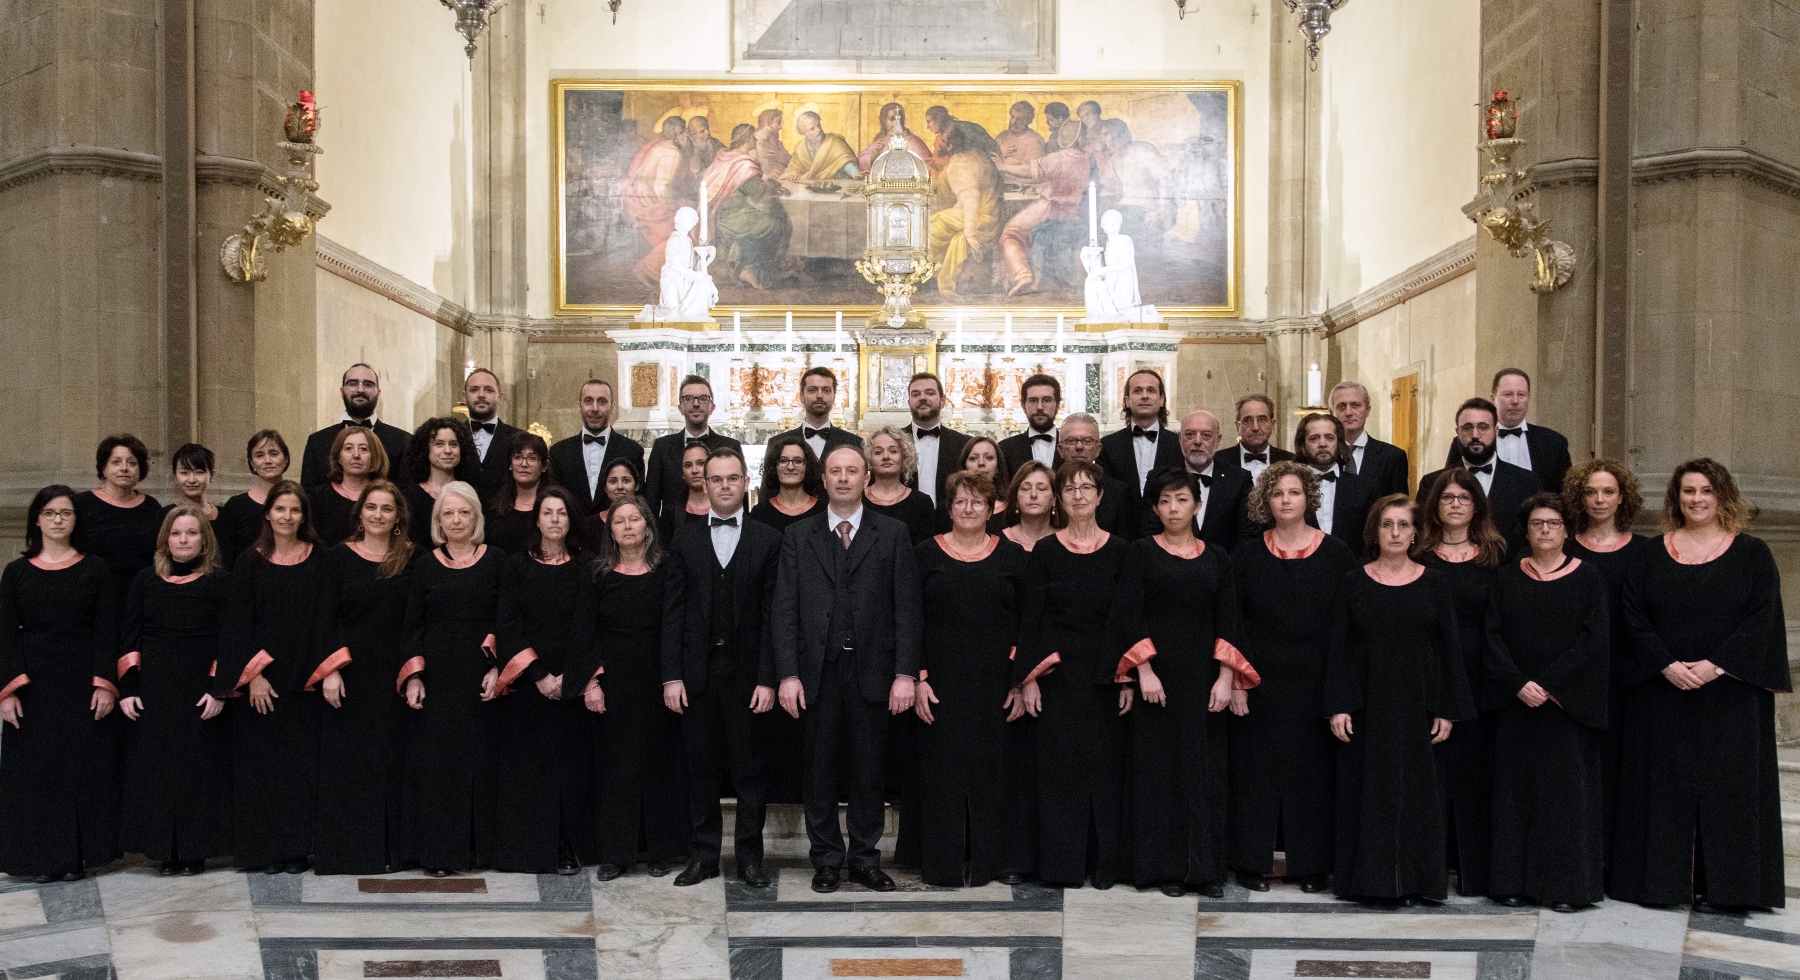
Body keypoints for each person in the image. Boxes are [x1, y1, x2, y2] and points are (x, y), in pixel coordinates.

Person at [1614, 459, 1790, 914]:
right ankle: (1663, 886)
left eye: (1706, 491)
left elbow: (1761, 618)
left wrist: (1715, 666)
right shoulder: (1651, 554)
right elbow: (1633, 615)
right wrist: (1666, 664)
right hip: (1663, 691)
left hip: (1729, 695)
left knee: (1729, 791)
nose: (1696, 499)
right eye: (1688, 491)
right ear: (1676, 498)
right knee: (1665, 786)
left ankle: (1731, 890)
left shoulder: (1752, 554)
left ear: (1722, 496)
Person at [772, 445, 922, 894]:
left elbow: (908, 610)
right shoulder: (799, 536)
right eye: (834, 471)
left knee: (868, 770)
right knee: (818, 771)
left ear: (866, 476)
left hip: (873, 672)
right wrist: (788, 673)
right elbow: (784, 609)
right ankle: (825, 860)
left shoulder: (893, 533)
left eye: (851, 471)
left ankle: (864, 858)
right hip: (816, 673)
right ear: (823, 478)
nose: (842, 478)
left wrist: (905, 674)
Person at [1106, 468, 1252, 897]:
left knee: (1204, 773)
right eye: (1166, 501)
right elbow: (1129, 614)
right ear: (1155, 507)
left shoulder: (1218, 557)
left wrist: (1226, 679)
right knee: (1159, 775)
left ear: (1197, 505)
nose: (1173, 508)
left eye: (1182, 500)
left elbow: (1229, 619)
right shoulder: (1141, 553)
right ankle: (1163, 869)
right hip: (1159, 682)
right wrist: (1144, 671)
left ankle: (1204, 870)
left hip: (1205, 682)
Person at [1324, 496, 1475, 905]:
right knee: (1366, 794)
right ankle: (1369, 883)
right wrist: (1338, 704)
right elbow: (1338, 648)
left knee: (1417, 796)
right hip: (1365, 708)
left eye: (1403, 525)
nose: (1394, 533)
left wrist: (1448, 707)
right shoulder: (1353, 582)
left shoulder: (1435, 583)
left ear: (1415, 533)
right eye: (1387, 525)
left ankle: (1417, 882)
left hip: (1418, 708)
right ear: (1374, 532)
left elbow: (1449, 651)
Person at [1227, 462, 1358, 893]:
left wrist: (1339, 691)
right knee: (1255, 775)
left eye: (1294, 493)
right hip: (1258, 682)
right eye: (1278, 494)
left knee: (1312, 775)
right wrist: (1238, 680)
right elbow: (1233, 621)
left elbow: (1346, 628)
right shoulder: (1245, 554)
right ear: (1265, 501)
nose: (1286, 500)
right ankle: (1252, 862)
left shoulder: (1337, 554)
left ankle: (1311, 865)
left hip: (1315, 682)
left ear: (1309, 499)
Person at [662, 448, 782, 888]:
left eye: (733, 478)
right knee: (700, 767)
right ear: (704, 485)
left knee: (750, 771)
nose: (725, 486)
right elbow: (672, 614)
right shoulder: (684, 540)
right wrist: (671, 675)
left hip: (749, 677)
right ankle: (703, 855)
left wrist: (769, 677)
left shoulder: (769, 539)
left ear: (745, 481)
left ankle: (750, 857)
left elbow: (775, 617)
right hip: (697, 676)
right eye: (716, 479)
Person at [1484, 492, 1610, 912]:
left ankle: (1566, 888)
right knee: (1513, 794)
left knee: (1564, 798)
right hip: (1516, 702)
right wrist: (1519, 683)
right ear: (1526, 529)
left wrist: (1549, 684)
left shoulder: (1587, 577)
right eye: (1537, 523)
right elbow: (1493, 637)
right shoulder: (1507, 577)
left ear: (1567, 530)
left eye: (1552, 524)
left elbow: (1594, 641)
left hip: (1564, 706)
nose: (1544, 531)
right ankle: (1511, 882)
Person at [913, 471, 1039, 887]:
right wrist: (918, 678)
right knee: (942, 774)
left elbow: (1028, 625)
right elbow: (908, 620)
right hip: (939, 685)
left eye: (978, 502)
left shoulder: (1013, 558)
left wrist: (1022, 681)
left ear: (993, 509)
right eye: (961, 502)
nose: (969, 509)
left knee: (994, 774)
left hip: (996, 686)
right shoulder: (924, 555)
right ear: (948, 507)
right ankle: (942, 866)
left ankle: (991, 863)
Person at [1015, 461, 1131, 888]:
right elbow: (1034, 617)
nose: (1079, 495)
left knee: (1105, 770)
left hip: (1105, 675)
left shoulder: (1121, 550)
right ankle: (1061, 865)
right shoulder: (1045, 551)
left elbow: (1125, 618)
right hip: (1056, 676)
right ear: (1058, 499)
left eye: (1087, 487)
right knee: (1059, 771)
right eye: (1069, 489)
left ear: (1101, 496)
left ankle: (1103, 864)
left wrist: (1126, 677)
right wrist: (1028, 677)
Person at [0, 486, 122, 882]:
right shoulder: (16, 572)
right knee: (36, 772)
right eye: (50, 513)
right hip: (32, 686)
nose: (57, 520)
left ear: (75, 520)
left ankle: (77, 858)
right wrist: (7, 691)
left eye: (66, 513)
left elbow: (108, 630)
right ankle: (37, 859)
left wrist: (105, 684)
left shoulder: (95, 569)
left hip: (81, 682)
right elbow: (4, 634)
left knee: (79, 770)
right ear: (37, 519)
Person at [117, 505, 232, 876]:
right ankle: (164, 851)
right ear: (166, 539)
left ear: (205, 540)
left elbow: (230, 640)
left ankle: (195, 851)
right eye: (177, 533)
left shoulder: (219, 582)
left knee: (198, 770)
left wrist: (219, 690)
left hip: (201, 690)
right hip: (154, 690)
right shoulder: (145, 581)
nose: (184, 540)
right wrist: (128, 688)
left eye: (192, 533)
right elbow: (130, 636)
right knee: (159, 770)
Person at [577, 495, 686, 880]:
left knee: (660, 766)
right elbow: (585, 633)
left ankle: (661, 850)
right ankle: (616, 854)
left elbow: (676, 626)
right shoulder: (597, 575)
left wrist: (674, 678)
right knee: (616, 769)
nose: (626, 526)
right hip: (614, 685)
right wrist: (591, 682)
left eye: (634, 519)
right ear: (610, 530)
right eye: (619, 520)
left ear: (648, 527)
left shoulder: (667, 569)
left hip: (659, 683)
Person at [309, 480, 416, 875]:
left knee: (394, 760)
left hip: (396, 675)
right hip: (350, 674)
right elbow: (325, 617)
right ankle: (351, 852)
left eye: (387, 509)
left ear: (398, 517)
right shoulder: (337, 558)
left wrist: (414, 672)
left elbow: (417, 619)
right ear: (360, 514)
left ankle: (394, 851)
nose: (378, 515)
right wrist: (331, 670)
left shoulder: (412, 558)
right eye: (371, 507)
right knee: (351, 764)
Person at [218, 479, 323, 875]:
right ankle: (262, 851)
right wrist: (254, 676)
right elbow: (238, 624)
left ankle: (296, 849)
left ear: (303, 515)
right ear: (267, 514)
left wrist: (316, 674)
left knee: (298, 769)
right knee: (260, 769)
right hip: (261, 682)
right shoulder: (250, 560)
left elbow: (323, 620)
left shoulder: (319, 557)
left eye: (295, 510)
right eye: (280, 509)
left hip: (303, 680)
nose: (287, 516)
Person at [399, 481, 504, 875]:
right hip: (438, 680)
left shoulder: (496, 560)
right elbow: (413, 623)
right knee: (440, 767)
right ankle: (441, 855)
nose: (456, 520)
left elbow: (504, 618)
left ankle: (480, 851)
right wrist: (414, 676)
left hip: (481, 678)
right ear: (438, 521)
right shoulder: (425, 563)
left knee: (480, 764)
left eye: (464, 512)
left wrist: (497, 667)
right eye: (448, 514)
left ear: (476, 517)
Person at [492, 487, 598, 875]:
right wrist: (538, 676)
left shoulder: (586, 567)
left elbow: (588, 626)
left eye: (562, 513)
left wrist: (570, 677)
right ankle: (531, 850)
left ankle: (569, 846)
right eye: (547, 513)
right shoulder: (517, 566)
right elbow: (508, 624)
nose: (555, 519)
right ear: (536, 519)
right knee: (530, 770)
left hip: (572, 686)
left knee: (570, 769)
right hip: (529, 687)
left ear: (571, 521)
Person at [1413, 468, 1507, 897]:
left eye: (1463, 498)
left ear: (1476, 506)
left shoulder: (1495, 556)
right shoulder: (1418, 554)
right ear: (1434, 505)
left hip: (1479, 673)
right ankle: (1427, 872)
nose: (1454, 504)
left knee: (1476, 777)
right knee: (1429, 776)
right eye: (1447, 497)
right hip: (1426, 673)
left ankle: (1475, 874)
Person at [1560, 458, 1651, 871]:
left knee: (1625, 770)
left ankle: (1621, 865)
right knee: (1580, 770)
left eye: (1608, 492)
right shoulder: (1564, 548)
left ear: (1623, 497)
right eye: (1591, 492)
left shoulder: (1645, 552)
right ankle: (1582, 861)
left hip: (1627, 674)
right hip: (1575, 677)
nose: (1599, 500)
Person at [1422, 398, 1542, 554]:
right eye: (1467, 428)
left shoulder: (1527, 482)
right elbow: (1425, 534)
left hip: (1509, 573)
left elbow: (1532, 535)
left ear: (1496, 431)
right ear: (1457, 432)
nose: (1475, 434)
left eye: (1483, 427)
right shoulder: (1431, 483)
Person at [1441, 369, 1573, 494]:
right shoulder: (1467, 442)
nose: (1515, 401)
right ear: (1493, 398)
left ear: (1529, 398)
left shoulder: (1553, 442)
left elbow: (1564, 493)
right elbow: (1448, 484)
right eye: (1508, 394)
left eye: (1521, 395)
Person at [996, 120, 1089, 297]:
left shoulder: (1060, 158)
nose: (1086, 138)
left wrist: (1002, 167)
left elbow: (1030, 171)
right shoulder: (1087, 158)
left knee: (1010, 233)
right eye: (1084, 134)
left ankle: (1023, 274)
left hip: (1052, 209)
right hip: (1074, 212)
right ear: (1078, 138)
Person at [73, 434, 162, 608]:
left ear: (140, 469)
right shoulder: (81, 504)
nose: (124, 468)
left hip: (141, 599)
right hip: (94, 598)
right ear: (103, 469)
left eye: (132, 462)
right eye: (116, 462)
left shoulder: (152, 507)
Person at [702, 124, 792, 290]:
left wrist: (770, 184)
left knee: (765, 223)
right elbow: (757, 191)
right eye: (752, 137)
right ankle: (751, 269)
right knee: (773, 225)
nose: (755, 140)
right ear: (746, 139)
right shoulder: (741, 163)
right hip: (731, 215)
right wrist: (772, 185)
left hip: (722, 211)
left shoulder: (726, 156)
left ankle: (750, 269)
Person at [647, 376, 741, 527]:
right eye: (689, 398)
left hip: (721, 530)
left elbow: (740, 498)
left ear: (712, 407)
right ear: (680, 407)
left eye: (703, 398)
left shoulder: (731, 446)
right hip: (672, 535)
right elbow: (651, 502)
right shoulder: (662, 447)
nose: (696, 404)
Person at [301, 364, 411, 487]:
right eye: (353, 383)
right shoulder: (317, 442)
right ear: (342, 391)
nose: (360, 390)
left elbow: (407, 498)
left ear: (378, 392)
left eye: (368, 384)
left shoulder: (404, 441)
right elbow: (307, 497)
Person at [1099, 369, 1182, 532]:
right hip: (1120, 536)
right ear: (1127, 401)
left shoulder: (1179, 444)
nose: (1145, 396)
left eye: (1151, 390)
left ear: (1161, 400)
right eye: (1138, 391)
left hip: (1169, 535)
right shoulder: (1108, 445)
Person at [549, 379, 646, 517]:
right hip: (572, 536)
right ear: (579, 406)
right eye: (588, 401)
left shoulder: (632, 451)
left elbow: (639, 502)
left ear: (612, 407)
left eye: (602, 402)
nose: (595, 408)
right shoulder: (559, 452)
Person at [927, 126, 1002, 300]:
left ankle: (923, 278)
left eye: (942, 141)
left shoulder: (959, 165)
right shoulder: (973, 156)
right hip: (989, 214)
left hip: (981, 220)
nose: (937, 144)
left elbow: (971, 198)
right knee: (934, 223)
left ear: (951, 146)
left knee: (927, 232)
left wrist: (969, 233)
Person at [624, 117, 694, 288]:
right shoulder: (672, 154)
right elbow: (661, 186)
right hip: (648, 203)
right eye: (683, 131)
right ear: (676, 134)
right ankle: (647, 269)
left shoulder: (660, 146)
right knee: (685, 230)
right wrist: (672, 207)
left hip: (638, 197)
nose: (687, 135)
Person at [1295, 413, 1377, 551]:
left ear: (1339, 443)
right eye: (1314, 438)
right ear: (1303, 445)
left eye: (1329, 437)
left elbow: (1371, 539)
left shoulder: (1364, 488)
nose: (1322, 444)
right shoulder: (1291, 489)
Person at [1177, 409, 1254, 552]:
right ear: (1180, 439)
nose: (1197, 441)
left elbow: (1248, 536)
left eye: (1206, 435)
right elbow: (1151, 532)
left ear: (1218, 441)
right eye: (1190, 435)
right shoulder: (1161, 478)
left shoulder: (1239, 480)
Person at [402, 417, 479, 550]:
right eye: (439, 444)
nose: (448, 450)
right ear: (425, 449)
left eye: (454, 444)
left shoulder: (475, 494)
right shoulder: (408, 497)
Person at [219, 430, 293, 567]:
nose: (267, 460)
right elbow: (227, 560)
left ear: (286, 459)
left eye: (274, 453)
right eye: (260, 455)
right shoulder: (236, 506)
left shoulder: (302, 502)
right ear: (252, 463)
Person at [308, 426, 391, 546]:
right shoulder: (318, 497)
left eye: (363, 449)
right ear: (338, 456)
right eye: (348, 448)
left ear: (375, 456)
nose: (356, 455)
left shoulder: (387, 497)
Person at [766, 366, 861, 469]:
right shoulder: (776, 443)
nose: (820, 395)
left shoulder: (854, 443)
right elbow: (768, 483)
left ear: (834, 397)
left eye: (826, 390)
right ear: (801, 396)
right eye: (812, 390)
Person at [1330, 381, 1410, 497]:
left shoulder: (1392, 457)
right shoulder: (1322, 455)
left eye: (1355, 405)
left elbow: (1399, 507)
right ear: (1331, 413)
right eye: (1341, 406)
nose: (1348, 412)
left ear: (1368, 410)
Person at [1059, 414, 1134, 538]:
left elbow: (1125, 542)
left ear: (1098, 449)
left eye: (1087, 441)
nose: (1079, 447)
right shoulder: (1049, 487)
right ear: (1060, 449)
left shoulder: (1119, 492)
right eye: (1071, 441)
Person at [903, 373, 969, 507]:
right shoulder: (894, 442)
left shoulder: (964, 445)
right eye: (915, 394)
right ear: (909, 402)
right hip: (903, 523)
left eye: (930, 393)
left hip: (951, 523)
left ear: (942, 401)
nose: (922, 397)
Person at [864, 427, 937, 545]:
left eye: (893, 451)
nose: (886, 456)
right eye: (878, 452)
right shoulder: (857, 500)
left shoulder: (921, 503)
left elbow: (925, 552)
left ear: (904, 457)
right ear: (869, 459)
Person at [165, 443, 233, 568]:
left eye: (199, 472)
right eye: (184, 472)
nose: (191, 479)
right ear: (175, 476)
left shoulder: (227, 516)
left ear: (211, 475)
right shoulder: (165, 516)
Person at [485, 431, 553, 555]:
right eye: (518, 457)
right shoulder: (494, 508)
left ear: (544, 466)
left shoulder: (553, 508)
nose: (524, 464)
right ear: (510, 465)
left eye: (532, 458)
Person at [463, 369, 524, 499]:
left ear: (500, 396)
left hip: (505, 516)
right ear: (465, 396)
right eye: (474, 390)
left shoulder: (518, 438)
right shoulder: (453, 436)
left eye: (489, 390)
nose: (481, 395)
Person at [749, 432, 825, 535]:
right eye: (783, 460)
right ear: (774, 466)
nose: (790, 467)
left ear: (808, 466)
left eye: (798, 461)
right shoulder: (759, 513)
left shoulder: (823, 511)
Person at [941, 435, 1011, 533]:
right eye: (973, 458)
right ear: (964, 465)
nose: (981, 463)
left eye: (989, 458)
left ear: (998, 466)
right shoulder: (947, 507)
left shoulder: (1012, 509)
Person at [1216, 394, 1293, 479]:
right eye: (1248, 420)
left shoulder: (1291, 461)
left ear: (1272, 425)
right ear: (1238, 426)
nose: (1255, 427)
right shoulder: (1218, 461)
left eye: (1262, 419)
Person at [998, 374, 1064, 473]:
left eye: (1047, 400)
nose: (1040, 407)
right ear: (1023, 405)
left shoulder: (1072, 447)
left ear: (1058, 405)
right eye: (1033, 401)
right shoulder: (1005, 448)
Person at [857, 102, 933, 176]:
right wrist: (873, 156)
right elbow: (862, 161)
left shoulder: (913, 141)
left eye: (899, 119)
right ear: (884, 120)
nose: (896, 123)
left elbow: (926, 163)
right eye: (891, 119)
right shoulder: (880, 142)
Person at [781, 110, 857, 182]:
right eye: (812, 128)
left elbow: (845, 161)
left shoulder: (833, 142)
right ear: (803, 133)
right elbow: (794, 168)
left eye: (818, 125)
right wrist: (793, 175)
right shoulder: (800, 148)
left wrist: (855, 173)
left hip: (834, 186)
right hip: (808, 188)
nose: (818, 130)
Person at [1001, 461, 1059, 550]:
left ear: (1054, 499)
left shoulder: (1065, 542)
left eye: (1041, 489)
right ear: (1016, 498)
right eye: (1025, 489)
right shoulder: (999, 543)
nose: (1033, 494)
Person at [994, 100, 1046, 168]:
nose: (1014, 122)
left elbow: (1032, 170)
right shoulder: (1003, 136)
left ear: (1028, 121)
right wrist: (999, 151)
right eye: (1012, 117)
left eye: (1019, 119)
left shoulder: (1034, 140)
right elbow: (988, 158)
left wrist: (1005, 163)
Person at [750, 108, 790, 183]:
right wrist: (764, 177)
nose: (780, 127)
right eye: (778, 122)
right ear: (767, 122)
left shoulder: (772, 141)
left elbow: (787, 161)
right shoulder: (752, 142)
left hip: (778, 181)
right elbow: (748, 169)